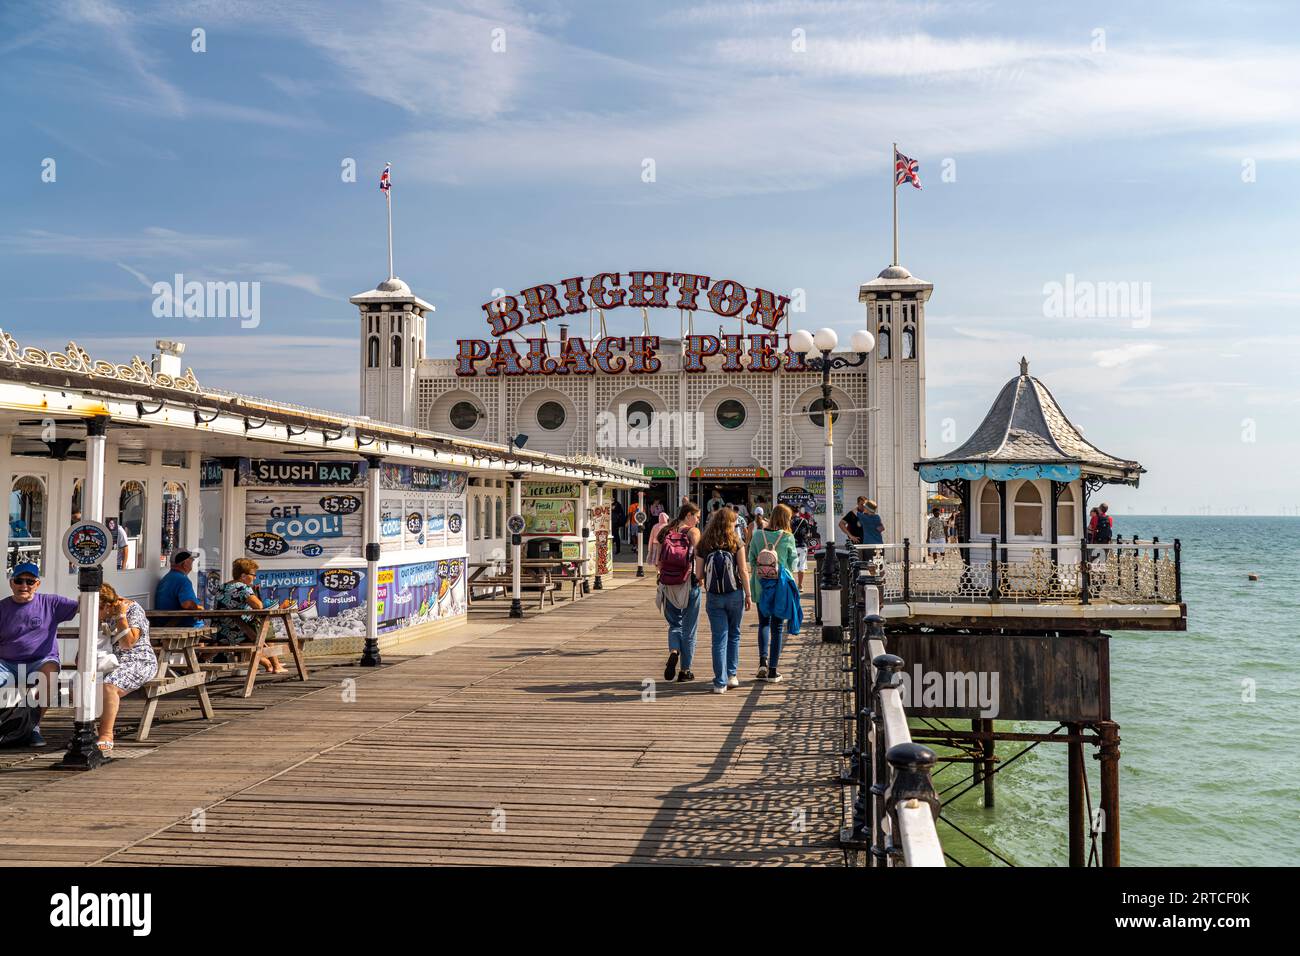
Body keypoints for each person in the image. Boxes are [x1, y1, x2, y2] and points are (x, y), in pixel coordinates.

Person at [0, 563, 77, 747]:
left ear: (37, 584)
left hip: (41, 660)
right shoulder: (2, 607)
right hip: (6, 662)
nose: (24, 586)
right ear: (11, 583)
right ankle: (9, 727)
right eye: (19, 581)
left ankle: (33, 727)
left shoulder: (52, 603)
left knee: (48, 677)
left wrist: (119, 606)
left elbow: (87, 604)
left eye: (30, 581)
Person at [94, 582, 158, 754]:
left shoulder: (132, 609)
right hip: (110, 660)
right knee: (79, 681)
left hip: (138, 660)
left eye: (97, 608)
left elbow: (128, 643)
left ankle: (106, 734)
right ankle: (85, 729)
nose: (94, 613)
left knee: (109, 685)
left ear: (107, 606)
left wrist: (121, 618)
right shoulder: (99, 615)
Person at [694, 507, 751, 694]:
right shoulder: (736, 542)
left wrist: (707, 583)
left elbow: (699, 574)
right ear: (730, 523)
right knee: (734, 634)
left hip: (714, 596)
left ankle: (720, 682)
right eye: (734, 522)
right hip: (735, 594)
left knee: (719, 638)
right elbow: (743, 571)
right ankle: (732, 676)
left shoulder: (704, 543)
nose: (736, 524)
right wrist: (749, 595)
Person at [747, 503, 799, 681]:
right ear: (786, 519)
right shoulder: (787, 537)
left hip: (761, 584)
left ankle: (763, 662)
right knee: (777, 627)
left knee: (764, 623)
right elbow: (793, 563)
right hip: (780, 586)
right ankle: (773, 671)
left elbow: (751, 560)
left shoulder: (757, 535)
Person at [214, 558, 290, 674]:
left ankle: (270, 664)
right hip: (239, 632)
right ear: (243, 575)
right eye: (253, 575)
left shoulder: (221, 587)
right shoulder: (243, 587)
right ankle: (276, 665)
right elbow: (258, 606)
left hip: (221, 633)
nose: (255, 577)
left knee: (259, 628)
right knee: (264, 625)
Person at [655, 503, 702, 683]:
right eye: (696, 516)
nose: (698, 520)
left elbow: (659, 561)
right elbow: (699, 555)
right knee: (689, 629)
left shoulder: (666, 531)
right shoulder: (693, 532)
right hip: (688, 583)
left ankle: (674, 651)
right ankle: (685, 670)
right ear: (689, 515)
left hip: (668, 584)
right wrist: (701, 577)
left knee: (675, 624)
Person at [155, 550, 203, 627]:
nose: (193, 561)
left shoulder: (167, 578)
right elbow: (187, 604)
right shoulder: (182, 580)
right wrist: (199, 608)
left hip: (167, 624)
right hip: (185, 627)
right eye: (191, 559)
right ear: (184, 563)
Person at [790, 506, 816, 590]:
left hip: (792, 545)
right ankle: (800, 585)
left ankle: (792, 584)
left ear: (792, 512)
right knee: (801, 566)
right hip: (802, 545)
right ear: (798, 512)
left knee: (791, 566)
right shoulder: (804, 520)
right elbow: (809, 534)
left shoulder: (790, 521)